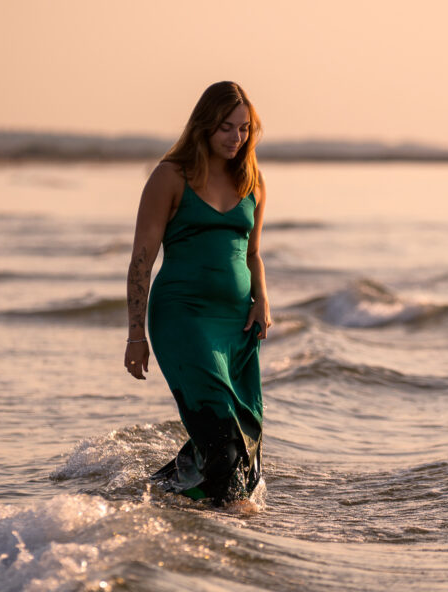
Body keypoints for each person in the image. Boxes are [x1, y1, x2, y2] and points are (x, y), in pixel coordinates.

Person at [123, 81, 271, 507]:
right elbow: (141, 261)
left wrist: (262, 298)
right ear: (204, 125)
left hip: (236, 324)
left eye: (244, 128)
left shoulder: (252, 181)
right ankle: (217, 525)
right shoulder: (171, 177)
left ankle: (156, 495)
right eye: (226, 127)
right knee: (223, 433)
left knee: (243, 438)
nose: (236, 137)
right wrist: (136, 335)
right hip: (182, 317)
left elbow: (253, 253)